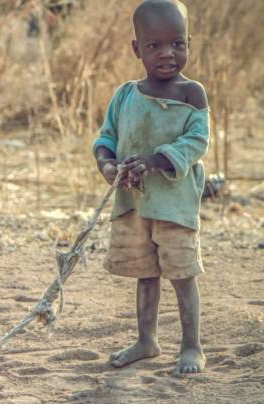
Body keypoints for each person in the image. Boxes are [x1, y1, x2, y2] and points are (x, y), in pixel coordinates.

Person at [92, 0, 209, 374]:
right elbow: (106, 137)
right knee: (146, 273)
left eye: (177, 44)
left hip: (175, 205)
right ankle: (147, 340)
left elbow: (197, 141)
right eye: (154, 45)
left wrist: (157, 160)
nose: (167, 54)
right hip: (135, 205)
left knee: (182, 274)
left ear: (189, 43)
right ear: (136, 49)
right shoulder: (125, 94)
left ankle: (192, 347)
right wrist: (108, 165)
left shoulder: (193, 94)